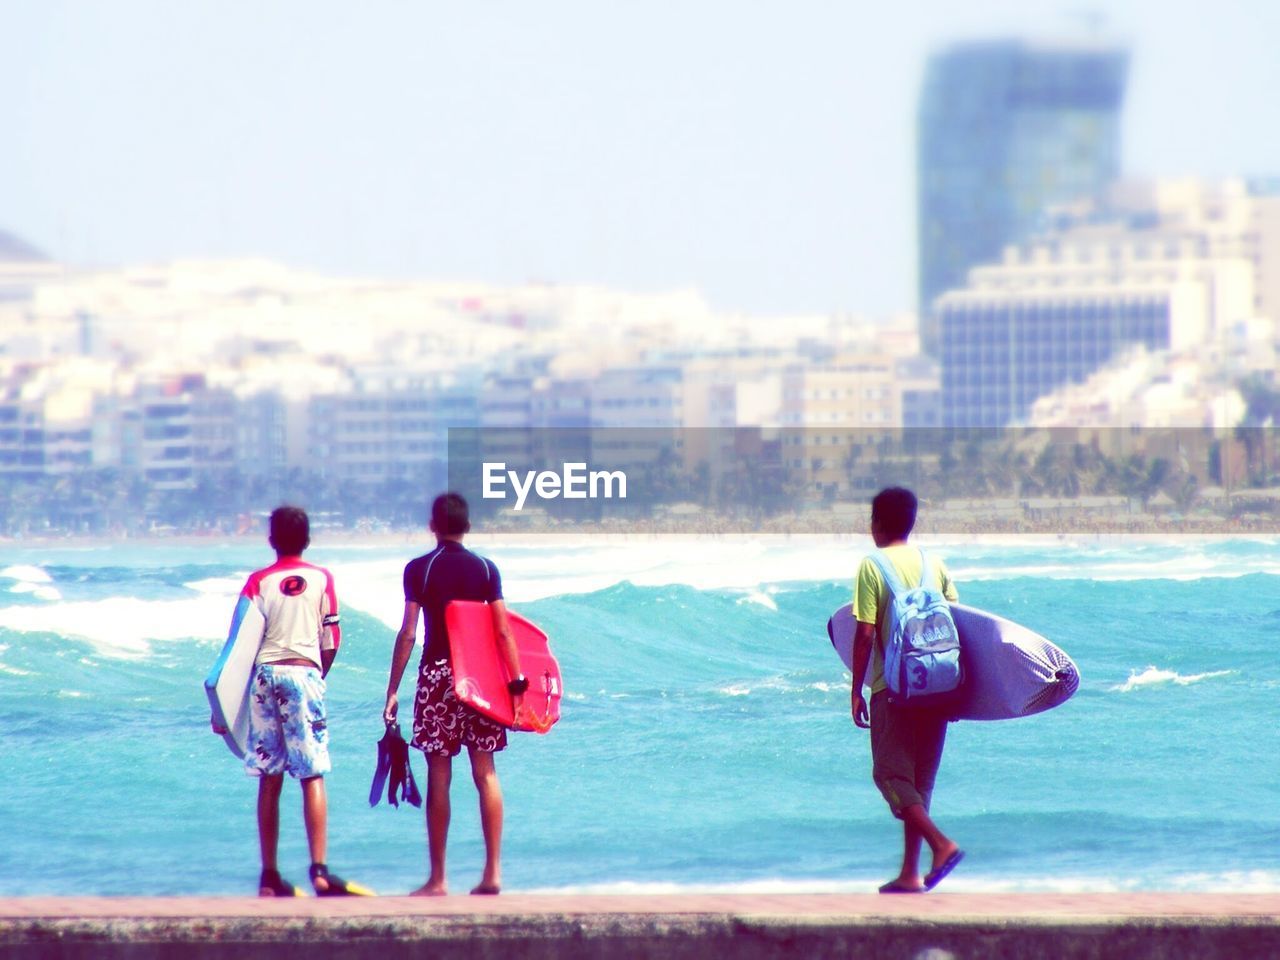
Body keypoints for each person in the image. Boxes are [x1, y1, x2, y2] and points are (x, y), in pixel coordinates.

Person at [210, 505, 369, 897]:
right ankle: (318, 871)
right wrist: (316, 676)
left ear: (271, 541)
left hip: (265, 677)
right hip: (302, 674)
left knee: (270, 776)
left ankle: (269, 877)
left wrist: (222, 705)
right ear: (308, 539)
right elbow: (331, 639)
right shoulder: (322, 579)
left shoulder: (257, 582)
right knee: (311, 773)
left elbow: (236, 647)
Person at [383, 492, 525, 896]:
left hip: (437, 677)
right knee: (486, 774)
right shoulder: (485, 568)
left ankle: (439, 879)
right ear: (467, 526)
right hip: (480, 679)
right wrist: (515, 684)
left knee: (439, 777)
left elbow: (410, 632)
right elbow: (502, 630)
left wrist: (392, 690)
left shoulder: (419, 570)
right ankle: (493, 873)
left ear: (433, 526)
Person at [850, 487, 965, 893]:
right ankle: (910, 873)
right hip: (939, 687)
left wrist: (856, 691)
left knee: (889, 776)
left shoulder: (872, 565)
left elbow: (864, 633)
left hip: (894, 687)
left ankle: (941, 844)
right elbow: (960, 623)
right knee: (920, 783)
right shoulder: (934, 563)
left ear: (877, 524)